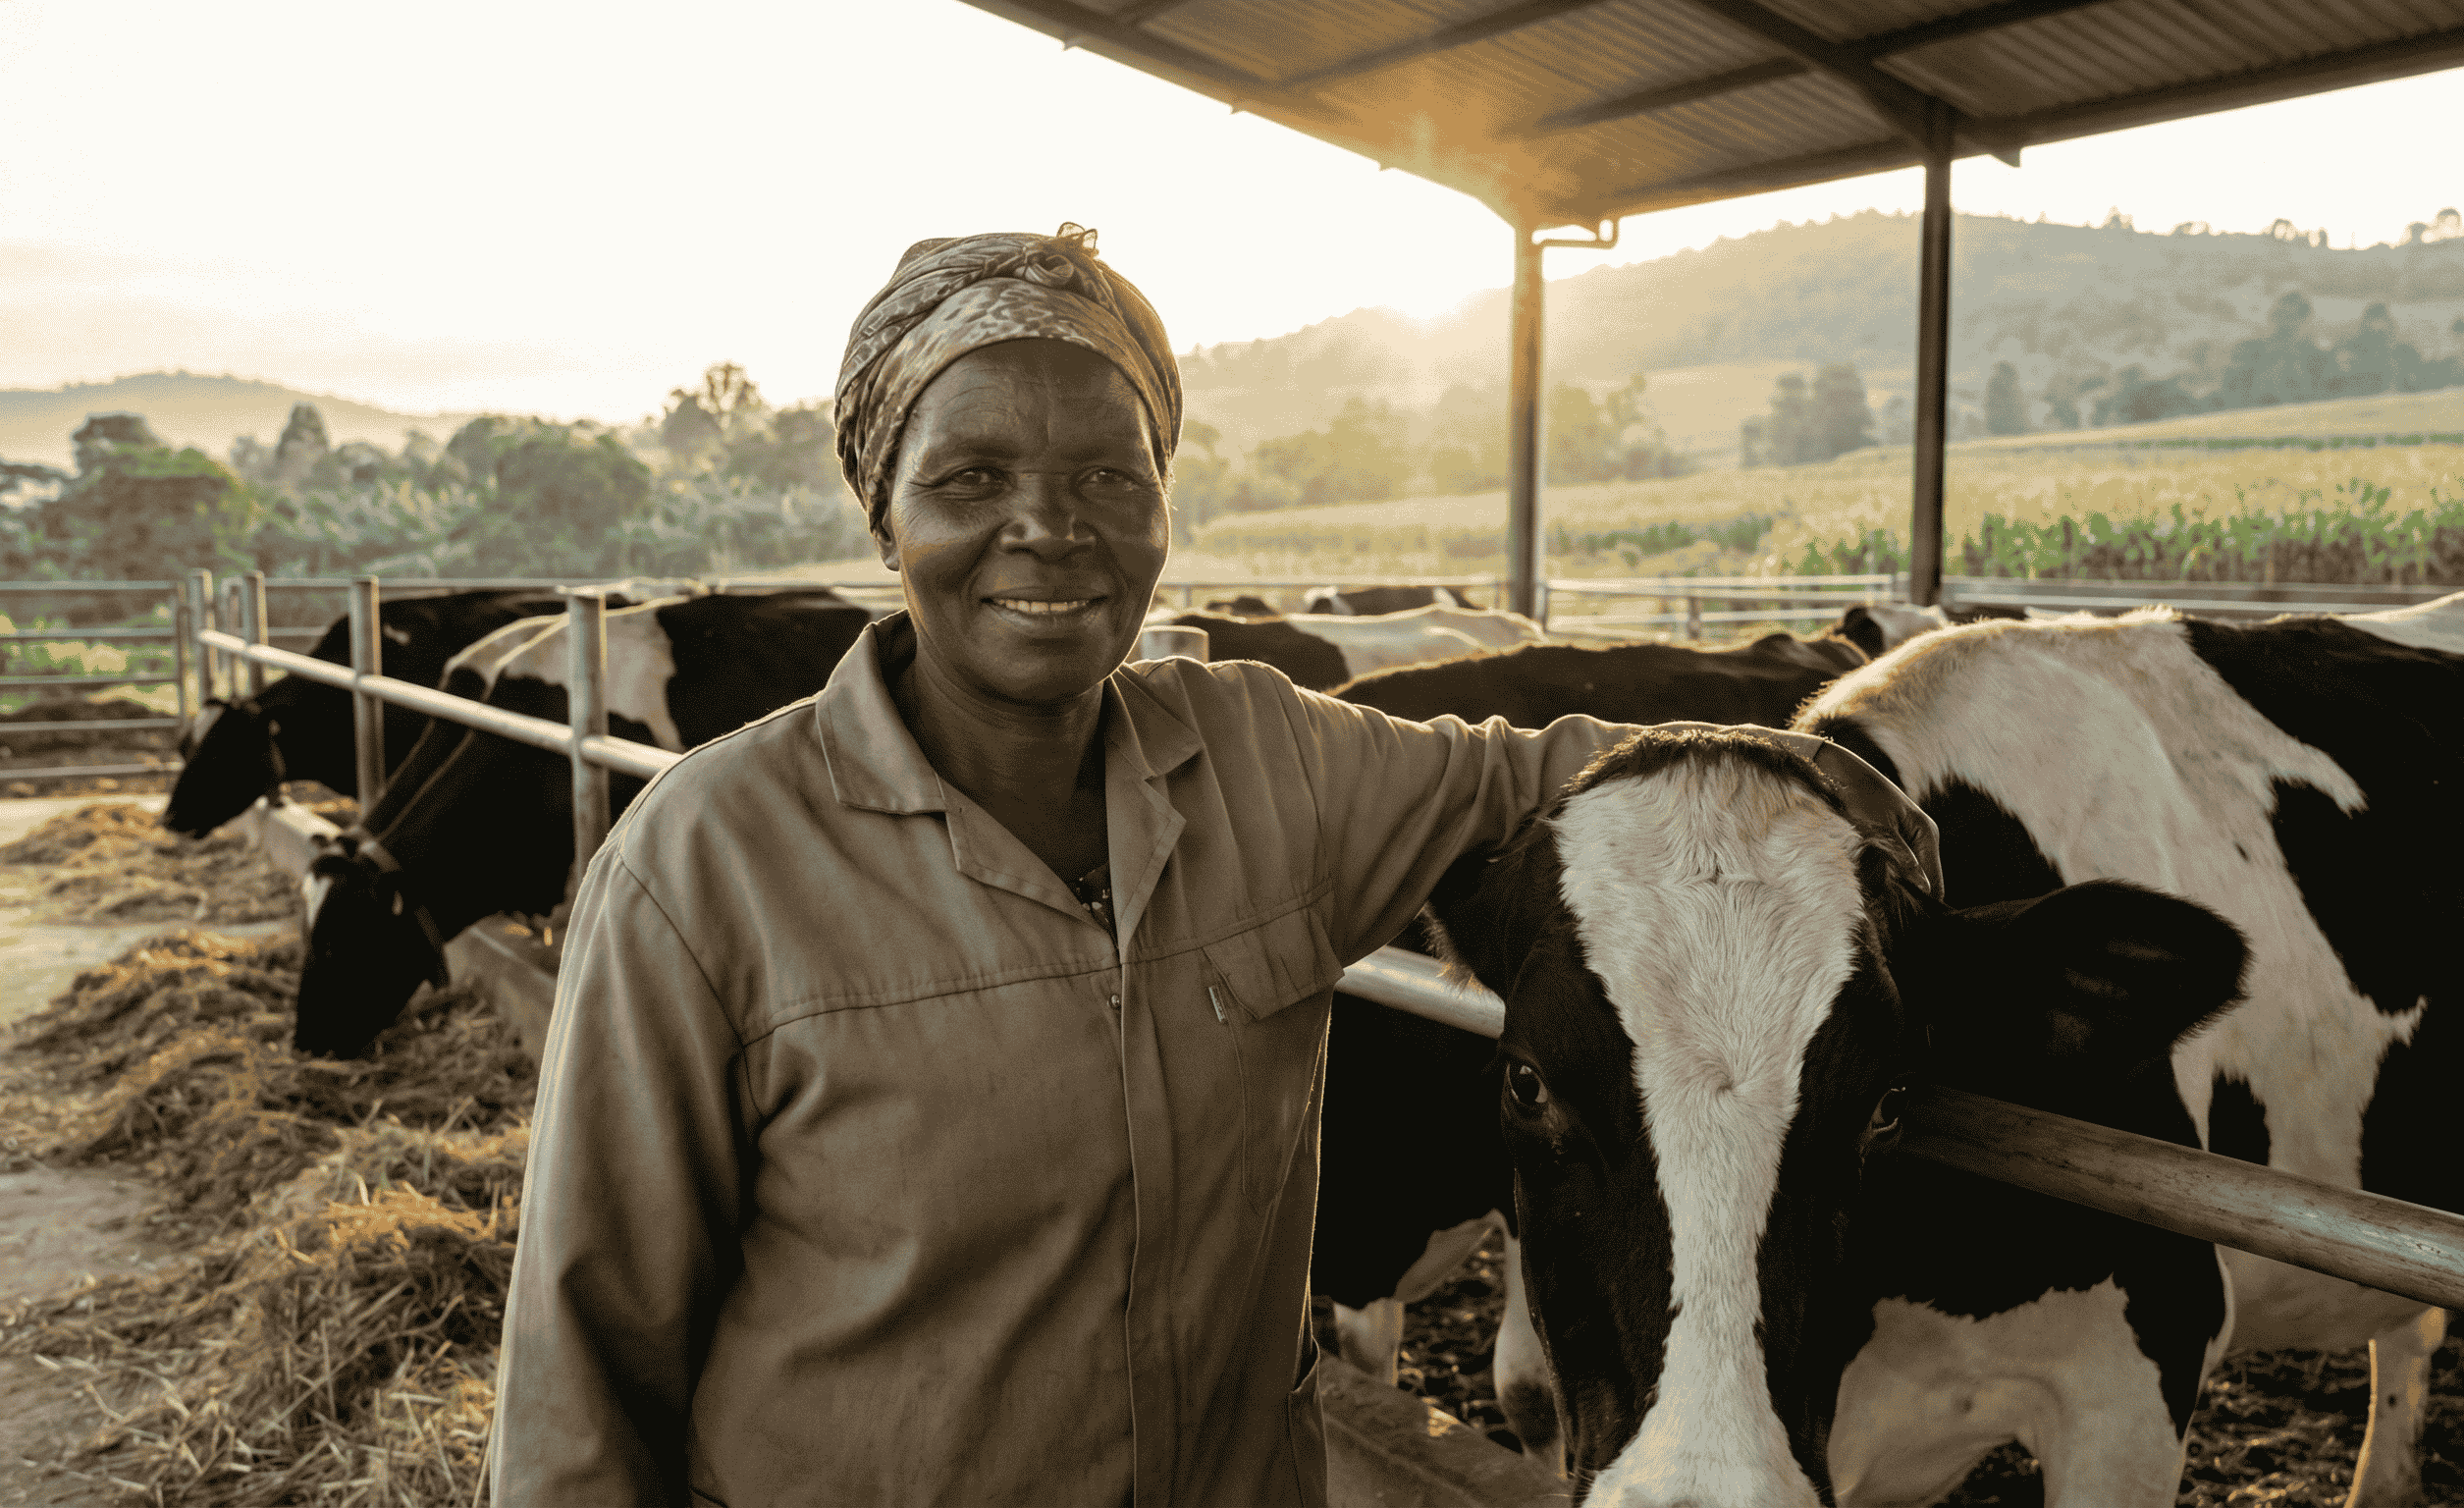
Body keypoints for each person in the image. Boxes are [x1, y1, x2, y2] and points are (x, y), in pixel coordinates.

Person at [490, 225, 1936, 1507]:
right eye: (972, 475)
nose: (1051, 526)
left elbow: (1535, 769)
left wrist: (1785, 760)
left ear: (1164, 503)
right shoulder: (702, 865)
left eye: (1111, 473)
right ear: (886, 511)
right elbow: (585, 1373)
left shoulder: (1270, 762)